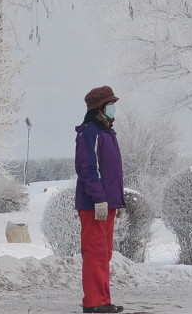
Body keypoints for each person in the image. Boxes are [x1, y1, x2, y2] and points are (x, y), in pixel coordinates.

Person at [75, 85, 126, 314]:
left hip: (108, 204)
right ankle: (93, 303)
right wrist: (99, 199)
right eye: (110, 104)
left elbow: (112, 170)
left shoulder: (107, 132)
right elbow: (88, 169)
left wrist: (116, 201)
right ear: (100, 108)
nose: (113, 108)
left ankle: (103, 301)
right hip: (95, 205)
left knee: (104, 253)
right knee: (95, 253)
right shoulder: (90, 133)